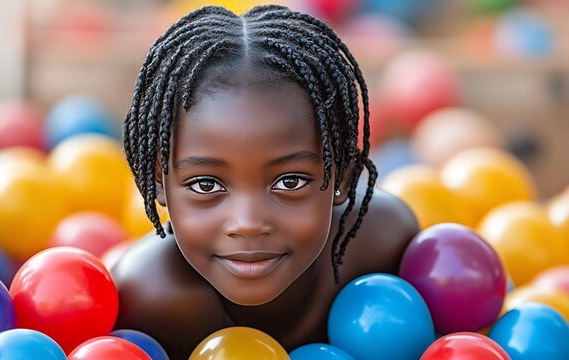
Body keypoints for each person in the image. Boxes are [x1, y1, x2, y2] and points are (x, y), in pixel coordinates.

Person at [113, 4, 419, 358]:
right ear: (159, 183)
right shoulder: (148, 299)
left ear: (344, 177)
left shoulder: (385, 243)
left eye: (289, 182)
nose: (248, 223)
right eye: (206, 185)